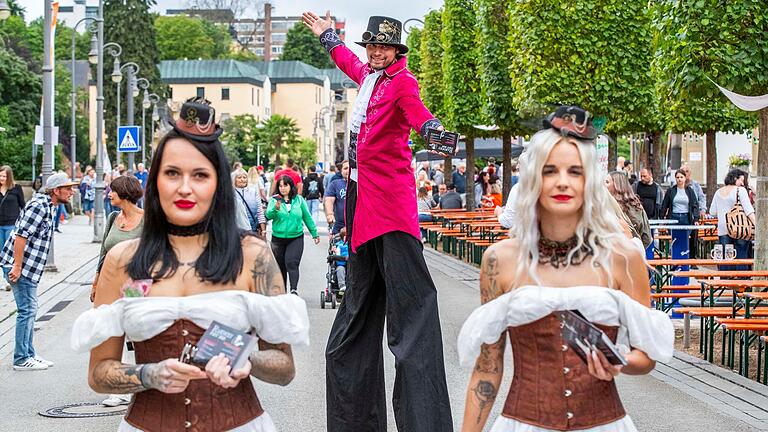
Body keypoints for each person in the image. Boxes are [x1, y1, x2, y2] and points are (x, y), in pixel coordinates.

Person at [71, 98, 309, 431]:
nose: (185, 187)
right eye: (172, 173)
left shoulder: (253, 255)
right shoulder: (123, 261)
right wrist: (148, 374)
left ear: (217, 184)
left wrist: (245, 358)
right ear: (155, 182)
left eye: (200, 175)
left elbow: (284, 368)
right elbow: (99, 373)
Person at [457, 106, 673, 432]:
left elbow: (647, 357)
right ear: (533, 179)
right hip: (523, 423)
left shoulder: (622, 257)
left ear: (589, 181)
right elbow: (488, 367)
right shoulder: (498, 260)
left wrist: (618, 362)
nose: (562, 182)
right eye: (549, 171)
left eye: (575, 171)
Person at [304, 11, 453, 430]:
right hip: (361, 200)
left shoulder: (403, 82)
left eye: (383, 46)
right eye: (371, 46)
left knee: (412, 319)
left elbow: (419, 114)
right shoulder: (368, 75)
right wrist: (328, 37)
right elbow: (346, 61)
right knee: (356, 315)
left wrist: (436, 133)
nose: (374, 52)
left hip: (390, 204)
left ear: (395, 51)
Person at [1, 173, 78, 370]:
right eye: (68, 188)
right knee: (26, 310)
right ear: (56, 190)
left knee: (30, 309)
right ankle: (21, 359)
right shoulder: (39, 206)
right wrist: (17, 266)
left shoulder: (49, 206)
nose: (71, 192)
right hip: (20, 266)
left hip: (28, 268)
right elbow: (20, 236)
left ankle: (29, 354)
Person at [91, 175, 145, 407]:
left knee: (138, 335)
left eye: (112, 191)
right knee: (112, 333)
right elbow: (103, 254)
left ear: (124, 193)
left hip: (137, 286)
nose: (109, 194)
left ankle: (144, 381)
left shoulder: (147, 221)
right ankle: (121, 387)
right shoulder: (113, 217)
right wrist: (96, 283)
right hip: (110, 283)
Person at [266, 175, 320, 295]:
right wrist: (275, 208)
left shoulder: (299, 200)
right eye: (280, 186)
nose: (283, 188)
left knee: (292, 263)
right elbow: (268, 215)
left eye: (285, 185)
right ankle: (282, 291)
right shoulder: (274, 200)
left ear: (291, 186)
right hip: (278, 239)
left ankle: (293, 290)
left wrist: (314, 233)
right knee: (280, 267)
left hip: (295, 237)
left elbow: (307, 216)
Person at [709, 169, 755, 270]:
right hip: (740, 228)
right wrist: (756, 224)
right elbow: (748, 210)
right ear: (735, 178)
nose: (742, 183)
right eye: (741, 180)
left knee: (726, 258)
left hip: (723, 229)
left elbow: (712, 212)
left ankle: (725, 281)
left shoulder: (718, 192)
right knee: (741, 256)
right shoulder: (740, 190)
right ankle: (741, 281)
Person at [606, 171, 652, 248]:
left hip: (614, 251)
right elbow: (647, 236)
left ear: (617, 185)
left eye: (607, 182)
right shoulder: (636, 205)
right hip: (634, 251)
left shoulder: (607, 206)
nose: (603, 185)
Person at [0, 166, 25, 291]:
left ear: (9, 177)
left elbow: (23, 206)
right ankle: (3, 279)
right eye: (0, 176)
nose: (2, 178)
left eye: (4, 176)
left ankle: (9, 278)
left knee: (10, 254)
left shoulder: (16, 189)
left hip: (11, 225)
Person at [233, 168, 267, 235]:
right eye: (239, 177)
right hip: (235, 231)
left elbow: (260, 212)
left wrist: (263, 230)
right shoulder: (230, 193)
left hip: (252, 230)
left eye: (244, 177)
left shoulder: (253, 192)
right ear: (234, 179)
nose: (242, 179)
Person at [325, 160, 349, 235]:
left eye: (351, 168)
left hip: (358, 225)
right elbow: (329, 200)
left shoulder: (360, 184)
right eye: (345, 168)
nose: (348, 170)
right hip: (339, 224)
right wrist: (329, 214)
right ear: (341, 171)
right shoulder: (335, 184)